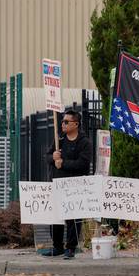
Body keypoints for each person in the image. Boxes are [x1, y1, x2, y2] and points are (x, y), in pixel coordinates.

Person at [43, 110, 93, 259]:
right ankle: (57, 246)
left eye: (66, 122)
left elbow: (83, 164)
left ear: (76, 124)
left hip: (75, 186)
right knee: (56, 217)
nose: (63, 124)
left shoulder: (85, 142)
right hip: (57, 184)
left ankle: (70, 248)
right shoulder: (60, 139)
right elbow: (47, 157)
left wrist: (63, 163)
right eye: (62, 121)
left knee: (73, 218)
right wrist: (53, 157)